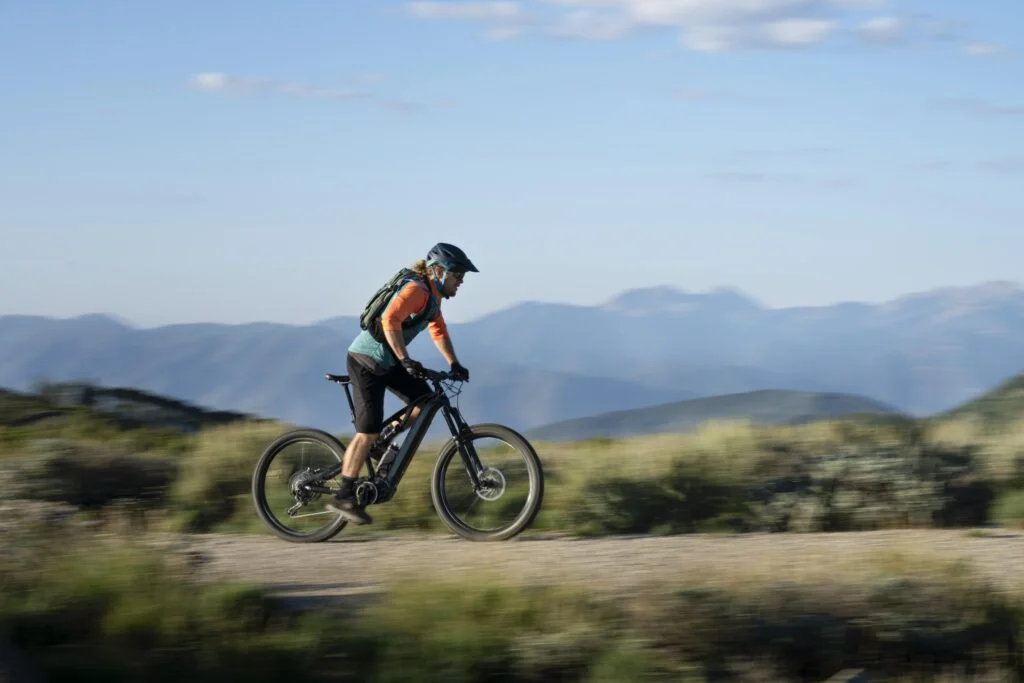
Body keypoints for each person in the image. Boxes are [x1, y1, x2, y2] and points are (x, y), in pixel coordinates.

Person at [327, 242, 477, 524]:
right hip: (366, 361)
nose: (461, 282)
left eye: (462, 277)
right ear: (437, 271)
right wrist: (405, 358)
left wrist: (453, 364)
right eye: (457, 275)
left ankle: (383, 440)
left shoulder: (433, 299)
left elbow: (439, 331)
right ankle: (344, 495)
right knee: (367, 430)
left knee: (425, 402)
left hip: (390, 362)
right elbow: (389, 320)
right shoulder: (416, 291)